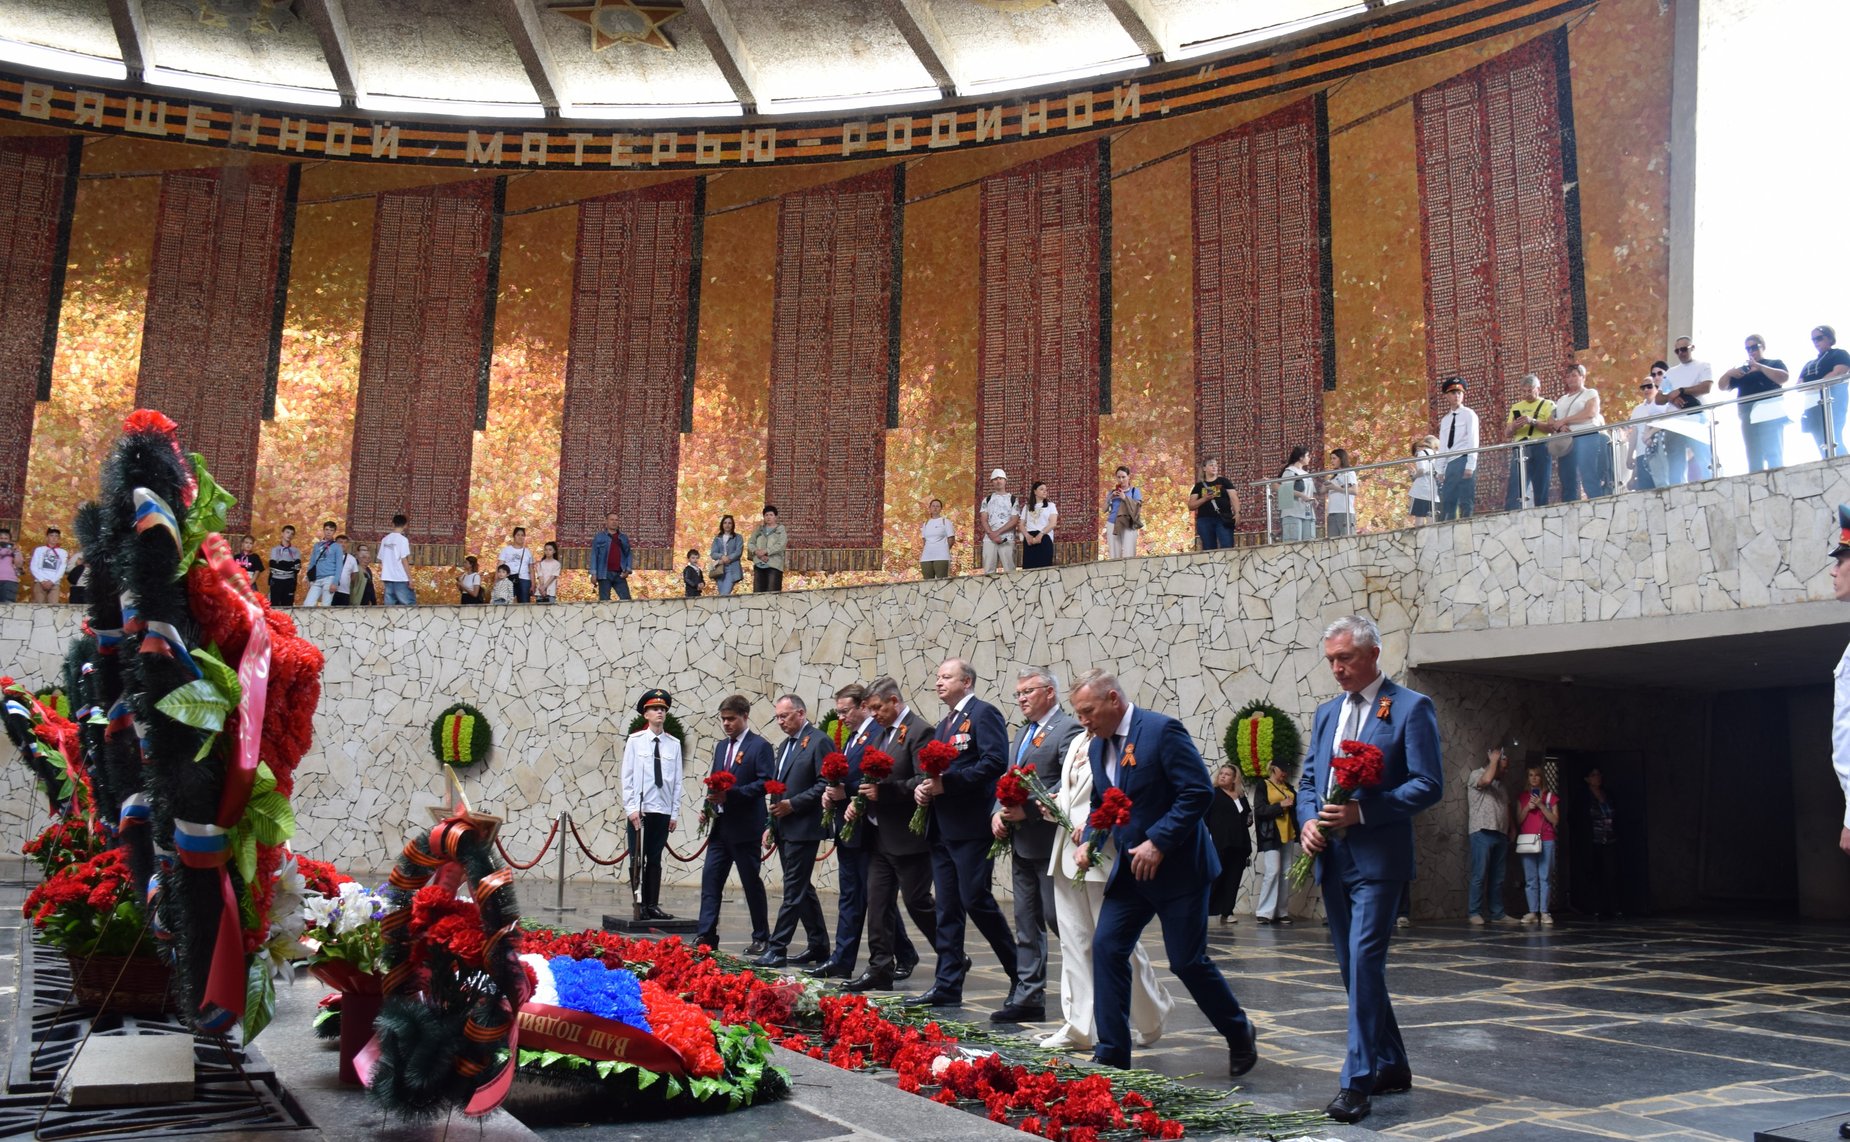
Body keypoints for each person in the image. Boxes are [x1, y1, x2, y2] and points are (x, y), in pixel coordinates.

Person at [1068, 668, 1258, 1076]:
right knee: (1107, 948)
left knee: (1187, 963)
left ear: (1113, 700)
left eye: (1087, 711)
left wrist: (1159, 841)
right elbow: (1108, 801)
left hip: (1179, 872)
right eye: (1078, 713)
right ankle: (1112, 1052)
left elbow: (1197, 792)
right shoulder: (1099, 745)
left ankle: (1239, 1031)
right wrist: (1092, 841)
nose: (1083, 720)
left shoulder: (1161, 731)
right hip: (1132, 873)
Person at [1295, 614, 1443, 1125]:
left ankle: (1356, 1082)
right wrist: (1308, 823)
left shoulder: (1409, 708)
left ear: (1373, 655)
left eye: (1345, 659)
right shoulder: (1326, 713)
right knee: (1352, 969)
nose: (1336, 669)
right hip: (1332, 860)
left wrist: (1365, 810)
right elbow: (1309, 781)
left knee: (1363, 963)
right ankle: (1393, 1063)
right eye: (1331, 660)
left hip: (1379, 861)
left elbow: (1428, 784)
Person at [1040, 726, 1174, 1052]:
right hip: (1066, 849)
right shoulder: (1076, 741)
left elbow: (1124, 795)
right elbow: (1071, 787)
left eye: (1087, 708)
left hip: (1103, 848)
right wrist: (1055, 801)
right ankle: (1079, 1026)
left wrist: (1097, 828)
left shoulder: (1121, 742)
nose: (1082, 716)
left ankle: (1151, 1014)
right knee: (1075, 942)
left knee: (1115, 942)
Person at [907, 658, 1018, 1007]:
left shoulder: (984, 714)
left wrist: (947, 784)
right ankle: (947, 984)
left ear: (966, 681)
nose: (938, 682)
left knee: (977, 901)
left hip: (970, 827)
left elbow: (994, 763)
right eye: (937, 676)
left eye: (946, 677)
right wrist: (925, 788)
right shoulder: (944, 724)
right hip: (942, 828)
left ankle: (1021, 976)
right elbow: (938, 772)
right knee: (948, 910)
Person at [990, 668, 1081, 1023]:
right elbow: (1008, 778)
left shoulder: (1066, 730)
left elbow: (1066, 782)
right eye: (1018, 693)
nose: (1022, 698)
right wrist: (998, 812)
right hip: (1022, 841)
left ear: (1050, 693)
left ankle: (1085, 984)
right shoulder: (1021, 733)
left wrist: (1025, 809)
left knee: (1057, 919)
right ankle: (1029, 997)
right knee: (1026, 921)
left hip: (1050, 841)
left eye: (1028, 691)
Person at [815, 684, 918, 982]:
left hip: (867, 827)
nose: (841, 717)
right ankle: (843, 959)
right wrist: (831, 791)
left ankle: (898, 953)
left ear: (862, 707)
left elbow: (875, 775)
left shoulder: (877, 733)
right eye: (838, 712)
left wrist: (844, 791)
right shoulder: (852, 737)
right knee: (855, 896)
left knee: (873, 898)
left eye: (846, 711)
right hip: (849, 825)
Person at [846, 676, 933, 992]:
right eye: (869, 709)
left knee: (917, 903)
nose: (874, 714)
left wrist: (884, 793)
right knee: (878, 902)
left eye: (877, 708)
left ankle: (951, 954)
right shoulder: (881, 735)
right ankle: (880, 967)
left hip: (906, 835)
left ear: (894, 702)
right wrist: (859, 802)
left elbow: (923, 781)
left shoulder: (920, 732)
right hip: (878, 834)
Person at [693, 694, 773, 956]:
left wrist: (733, 795)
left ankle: (761, 936)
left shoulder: (759, 746)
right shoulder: (720, 747)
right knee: (711, 880)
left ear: (745, 716)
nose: (726, 724)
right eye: (723, 719)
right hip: (721, 827)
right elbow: (716, 783)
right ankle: (706, 934)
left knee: (751, 882)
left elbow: (764, 783)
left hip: (746, 827)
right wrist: (709, 807)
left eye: (731, 719)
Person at [754, 694, 830, 967]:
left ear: (800, 712)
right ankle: (819, 944)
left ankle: (777, 948)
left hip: (804, 827)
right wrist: (770, 825)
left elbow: (825, 783)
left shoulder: (819, 741)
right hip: (784, 827)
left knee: (793, 889)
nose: (780, 721)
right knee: (802, 889)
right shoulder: (785, 745)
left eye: (784, 716)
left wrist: (793, 805)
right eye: (777, 717)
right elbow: (777, 789)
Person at [622, 690, 682, 921]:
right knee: (637, 857)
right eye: (655, 709)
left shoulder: (673, 744)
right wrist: (631, 808)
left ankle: (652, 904)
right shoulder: (636, 741)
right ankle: (639, 902)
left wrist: (674, 812)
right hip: (641, 808)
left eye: (663, 709)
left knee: (655, 857)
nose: (660, 712)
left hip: (662, 809)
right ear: (645, 714)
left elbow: (676, 781)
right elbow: (627, 776)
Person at [1720, 335, 1789, 473]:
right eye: (1748, 348)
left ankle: (1777, 479)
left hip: (1770, 411)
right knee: (1753, 452)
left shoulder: (1773, 363)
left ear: (1762, 346)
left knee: (1773, 450)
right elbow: (1723, 387)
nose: (1751, 351)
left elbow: (1783, 377)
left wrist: (1759, 367)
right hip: (1748, 414)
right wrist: (1728, 373)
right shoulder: (1743, 370)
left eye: (1754, 347)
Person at [1465, 744, 1512, 925]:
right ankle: (1474, 912)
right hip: (1481, 832)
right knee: (1479, 874)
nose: (1506, 772)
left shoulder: (1502, 786)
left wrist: (1511, 829)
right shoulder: (1476, 775)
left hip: (1500, 833)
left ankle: (1497, 913)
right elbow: (1485, 781)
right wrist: (1494, 761)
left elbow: (1506, 807)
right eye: (1504, 767)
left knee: (1498, 877)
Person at [1656, 336, 1713, 483]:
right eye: (1677, 350)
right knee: (1675, 463)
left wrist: (1681, 391)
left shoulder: (1703, 365)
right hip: (1674, 422)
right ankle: (1676, 493)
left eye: (1684, 349)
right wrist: (1673, 397)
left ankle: (1712, 484)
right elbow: (1659, 398)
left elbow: (1706, 387)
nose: (1680, 353)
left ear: (1692, 348)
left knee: (1703, 457)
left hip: (1695, 418)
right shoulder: (1671, 373)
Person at [1548, 364, 1605, 501]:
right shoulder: (1561, 399)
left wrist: (1565, 420)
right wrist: (1560, 426)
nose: (1570, 379)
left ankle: (1597, 504)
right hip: (1567, 440)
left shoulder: (1590, 393)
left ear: (1582, 377)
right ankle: (1570, 509)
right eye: (1568, 376)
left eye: (1574, 375)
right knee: (1567, 477)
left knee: (1588, 473)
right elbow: (1551, 418)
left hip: (1586, 436)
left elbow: (1590, 413)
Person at [1514, 763, 1559, 926]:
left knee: (1545, 877)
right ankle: (1532, 911)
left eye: (1537, 775)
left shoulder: (1549, 797)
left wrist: (1540, 805)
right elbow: (1518, 820)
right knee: (1530, 878)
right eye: (1531, 775)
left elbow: (1555, 820)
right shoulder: (1523, 797)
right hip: (1528, 840)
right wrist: (1528, 808)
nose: (1534, 778)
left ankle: (1544, 912)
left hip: (1546, 839)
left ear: (1541, 778)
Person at [1253, 761, 1296, 924]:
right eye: (1282, 769)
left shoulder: (1289, 787)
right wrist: (1280, 805)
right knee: (1273, 870)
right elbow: (1260, 810)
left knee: (1286, 872)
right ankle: (1264, 911)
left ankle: (1281, 911)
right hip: (1271, 834)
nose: (1284, 773)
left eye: (1287, 770)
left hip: (1288, 833)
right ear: (1274, 768)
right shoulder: (1263, 785)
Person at [1208, 765, 1253, 924]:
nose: (1223, 776)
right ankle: (1202, 909)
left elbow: (1247, 817)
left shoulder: (1240, 796)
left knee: (1233, 880)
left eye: (1227, 774)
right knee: (1216, 878)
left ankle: (1227, 912)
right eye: (1221, 773)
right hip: (1220, 843)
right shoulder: (1213, 794)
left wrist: (1248, 819)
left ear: (1234, 778)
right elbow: (1204, 819)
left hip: (1240, 844)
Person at [1505, 373, 1554, 510]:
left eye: (1530, 390)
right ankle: (1511, 512)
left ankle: (1542, 512)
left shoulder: (1547, 404)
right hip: (1520, 447)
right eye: (1524, 391)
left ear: (1538, 389)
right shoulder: (1516, 407)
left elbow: (1551, 427)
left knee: (1541, 483)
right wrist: (1514, 426)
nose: (1527, 394)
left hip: (1540, 446)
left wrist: (1532, 421)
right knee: (1516, 484)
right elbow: (1507, 433)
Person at [1800, 326, 1850, 460]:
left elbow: (1838, 373)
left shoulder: (1839, 354)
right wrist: (1819, 384)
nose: (1816, 342)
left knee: (1834, 438)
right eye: (1813, 339)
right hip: (1812, 406)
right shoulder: (1809, 363)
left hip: (1833, 402)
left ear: (1829, 338)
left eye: (1819, 338)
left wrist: (1813, 385)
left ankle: (1844, 469)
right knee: (1822, 443)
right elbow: (1799, 385)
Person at [1435, 377, 1480, 520]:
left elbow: (1473, 440)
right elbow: (1443, 446)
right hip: (1450, 462)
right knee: (1449, 501)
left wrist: (1470, 465)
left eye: (1459, 392)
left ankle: (1466, 526)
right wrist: (1440, 469)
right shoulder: (1446, 419)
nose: (1457, 396)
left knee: (1466, 499)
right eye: (1453, 393)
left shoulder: (1469, 414)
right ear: (1447, 396)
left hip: (1464, 458)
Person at [1584, 767, 1620, 919]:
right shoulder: (1584, 796)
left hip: (1609, 839)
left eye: (1599, 774)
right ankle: (1596, 907)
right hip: (1593, 841)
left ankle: (1614, 907)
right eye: (1593, 775)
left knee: (1612, 873)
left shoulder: (1608, 794)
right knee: (1595, 874)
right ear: (1587, 779)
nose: (1597, 777)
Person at [1628, 366, 1671, 490]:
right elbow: (1634, 432)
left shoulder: (1666, 405)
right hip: (1642, 454)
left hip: (1660, 451)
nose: (1646, 389)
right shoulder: (1637, 409)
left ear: (1656, 386)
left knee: (1664, 486)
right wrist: (1630, 455)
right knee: (1645, 491)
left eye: (1649, 386)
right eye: (1643, 387)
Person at [1188, 457, 1237, 550]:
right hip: (1205, 519)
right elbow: (1191, 505)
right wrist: (1205, 498)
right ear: (1204, 468)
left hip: (1223, 517)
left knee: (1227, 545)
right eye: (1211, 465)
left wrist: (1237, 513)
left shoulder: (1224, 481)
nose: (1214, 467)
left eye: (1216, 465)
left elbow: (1234, 497)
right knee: (1209, 548)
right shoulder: (1199, 486)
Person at [978, 469, 1020, 573]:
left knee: (1010, 570)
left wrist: (997, 533)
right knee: (988, 571)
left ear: (1005, 481)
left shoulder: (1013, 499)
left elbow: (1014, 520)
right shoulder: (987, 500)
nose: (998, 481)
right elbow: (984, 519)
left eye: (1000, 478)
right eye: (995, 479)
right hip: (989, 538)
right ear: (992, 482)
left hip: (1007, 538)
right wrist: (991, 534)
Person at [593, 513, 634, 602]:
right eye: (612, 519)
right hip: (604, 574)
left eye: (616, 520)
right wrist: (593, 574)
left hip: (620, 573)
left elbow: (628, 554)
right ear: (606, 521)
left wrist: (627, 570)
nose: (614, 522)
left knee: (626, 600)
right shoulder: (599, 537)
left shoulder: (623, 537)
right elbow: (594, 555)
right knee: (604, 601)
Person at [1278, 446, 1316, 541]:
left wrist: (1313, 499)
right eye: (1307, 456)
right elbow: (1285, 491)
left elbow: (1311, 492)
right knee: (1293, 543)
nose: (1309, 458)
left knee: (1309, 542)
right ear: (1301, 457)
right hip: (1292, 512)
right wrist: (1302, 496)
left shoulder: (1307, 474)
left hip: (1307, 512)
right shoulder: (1289, 472)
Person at [301, 521, 344, 607]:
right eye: (327, 529)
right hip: (317, 579)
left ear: (334, 532)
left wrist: (335, 582)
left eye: (331, 530)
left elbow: (339, 566)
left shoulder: (337, 546)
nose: (328, 532)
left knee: (325, 606)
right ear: (323, 530)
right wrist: (310, 578)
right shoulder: (317, 545)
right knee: (307, 604)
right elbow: (312, 563)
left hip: (329, 578)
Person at [1104, 466, 1143, 558]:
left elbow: (1138, 507)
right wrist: (1110, 497)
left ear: (1129, 477)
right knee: (1114, 553)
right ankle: (1115, 571)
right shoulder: (1112, 492)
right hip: (1112, 523)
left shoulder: (1134, 491)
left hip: (1128, 523)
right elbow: (1104, 509)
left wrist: (1124, 498)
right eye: (1118, 477)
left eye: (1123, 477)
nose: (1121, 479)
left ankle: (1130, 571)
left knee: (1129, 552)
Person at [748, 506, 787, 593]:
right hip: (759, 564)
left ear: (775, 517)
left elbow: (781, 545)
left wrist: (766, 551)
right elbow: (751, 543)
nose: (768, 517)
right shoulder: (759, 529)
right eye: (766, 515)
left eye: (771, 515)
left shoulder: (780, 529)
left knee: (772, 593)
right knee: (758, 593)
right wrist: (757, 552)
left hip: (774, 565)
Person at [1019, 481, 1057, 569]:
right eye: (1041, 489)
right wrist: (1027, 536)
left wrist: (1040, 535)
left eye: (1046, 490)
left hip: (1044, 537)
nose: (1045, 491)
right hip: (1030, 539)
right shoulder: (1027, 507)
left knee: (1044, 568)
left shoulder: (1051, 506)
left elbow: (1053, 523)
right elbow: (1021, 525)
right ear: (1035, 491)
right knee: (1029, 568)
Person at [379, 514, 414, 605]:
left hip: (387, 577)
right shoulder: (403, 540)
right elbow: (404, 559)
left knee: (390, 609)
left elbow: (382, 559)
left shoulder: (385, 540)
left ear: (392, 524)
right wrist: (410, 578)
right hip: (401, 578)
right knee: (409, 606)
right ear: (405, 525)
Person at [1325, 449, 1359, 537]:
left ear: (1341, 459)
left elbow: (1354, 491)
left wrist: (1335, 488)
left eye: (1334, 458)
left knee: (1347, 540)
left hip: (1344, 511)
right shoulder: (1334, 476)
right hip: (1332, 512)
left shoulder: (1349, 473)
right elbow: (1321, 490)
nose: (1332, 461)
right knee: (1332, 542)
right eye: (1331, 459)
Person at [920, 499, 956, 579]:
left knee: (941, 582)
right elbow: (924, 540)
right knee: (927, 582)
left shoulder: (945, 521)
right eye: (933, 506)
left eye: (937, 506)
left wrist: (944, 549)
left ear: (941, 509)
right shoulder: (926, 523)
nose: (935, 508)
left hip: (941, 557)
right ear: (929, 508)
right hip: (926, 557)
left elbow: (951, 539)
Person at [28, 527, 66, 604]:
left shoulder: (63, 552)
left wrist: (52, 581)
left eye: (56, 536)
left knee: (53, 608)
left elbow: (62, 568)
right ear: (47, 537)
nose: (54, 538)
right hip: (40, 582)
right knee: (39, 607)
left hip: (54, 583)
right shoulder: (39, 550)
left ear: (59, 538)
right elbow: (33, 566)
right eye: (52, 535)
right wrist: (42, 580)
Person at [708, 514, 743, 596]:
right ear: (722, 524)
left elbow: (738, 552)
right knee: (722, 595)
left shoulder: (738, 537)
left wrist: (728, 558)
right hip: (720, 569)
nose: (727, 525)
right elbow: (713, 553)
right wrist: (722, 556)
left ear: (733, 525)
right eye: (725, 523)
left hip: (732, 568)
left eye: (729, 523)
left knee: (724, 594)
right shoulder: (717, 538)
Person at [1408, 436, 1440, 524]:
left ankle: (1420, 537)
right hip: (1434, 491)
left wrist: (1414, 476)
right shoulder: (1437, 453)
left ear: (1417, 448)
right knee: (1431, 518)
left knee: (1419, 517)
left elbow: (1422, 471)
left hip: (1421, 491)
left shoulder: (1421, 453)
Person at [499, 526, 535, 604]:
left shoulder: (527, 552)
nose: (520, 537)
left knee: (524, 603)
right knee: (506, 602)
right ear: (514, 536)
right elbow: (500, 566)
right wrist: (497, 581)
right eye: (518, 535)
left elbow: (531, 569)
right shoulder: (506, 550)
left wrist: (533, 584)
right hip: (508, 579)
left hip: (525, 580)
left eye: (522, 535)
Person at [267, 525, 300, 607]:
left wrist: (280, 564)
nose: (289, 535)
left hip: (289, 582)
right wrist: (290, 565)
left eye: (292, 534)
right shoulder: (275, 549)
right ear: (282, 533)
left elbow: (297, 568)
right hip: (276, 581)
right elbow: (273, 568)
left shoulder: (295, 551)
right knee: (274, 606)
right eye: (287, 532)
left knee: (288, 606)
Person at [0, 526, 17, 603]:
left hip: (9, 580)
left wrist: (16, 551)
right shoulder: (9, 549)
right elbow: (2, 553)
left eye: (6, 538)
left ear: (9, 540)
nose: (3, 540)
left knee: (8, 607)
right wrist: (8, 549)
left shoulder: (13, 550)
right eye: (1, 538)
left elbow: (19, 564)